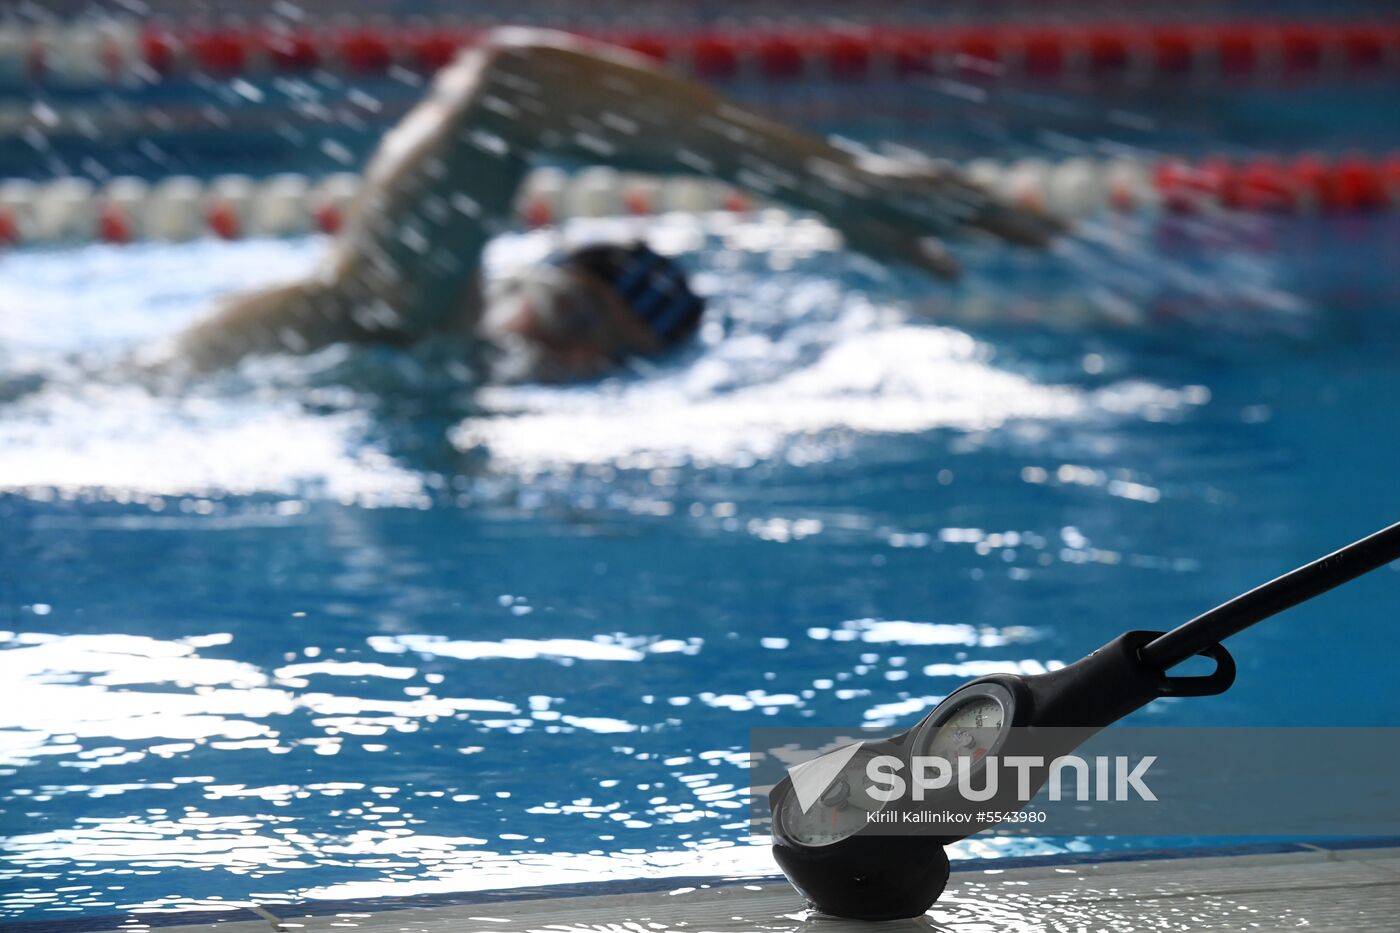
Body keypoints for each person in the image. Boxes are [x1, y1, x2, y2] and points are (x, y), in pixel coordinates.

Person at [172, 27, 1061, 383]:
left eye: (608, 357)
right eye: (566, 313)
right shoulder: (398, 313)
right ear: (523, 282)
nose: (572, 351)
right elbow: (511, 86)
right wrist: (829, 181)